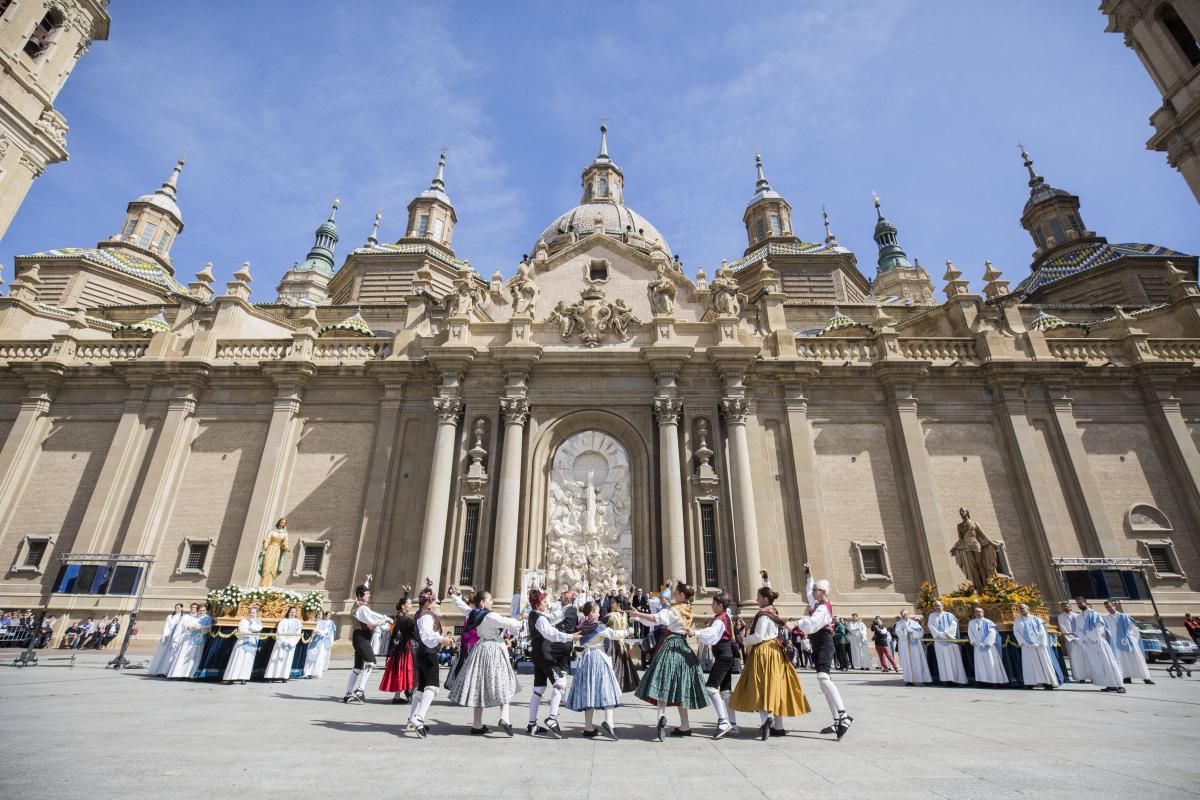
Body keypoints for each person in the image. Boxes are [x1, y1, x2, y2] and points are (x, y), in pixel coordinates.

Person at [629, 581, 711, 741]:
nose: (674, 595)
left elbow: (657, 618)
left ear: (681, 595)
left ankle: (661, 716)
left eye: (676, 593)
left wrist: (638, 614)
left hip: (671, 646)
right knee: (681, 687)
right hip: (684, 648)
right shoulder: (689, 609)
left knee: (662, 681)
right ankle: (685, 725)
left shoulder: (674, 610)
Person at [728, 584, 810, 742]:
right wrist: (766, 581)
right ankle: (778, 727)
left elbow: (758, 636)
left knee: (760, 687)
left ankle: (766, 720)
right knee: (777, 687)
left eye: (758, 597)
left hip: (763, 652)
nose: (756, 599)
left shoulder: (764, 615)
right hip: (776, 652)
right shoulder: (774, 611)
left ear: (765, 598)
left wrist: (742, 640)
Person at [447, 588, 526, 736]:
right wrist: (521, 622)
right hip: (494, 650)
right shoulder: (491, 616)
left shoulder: (474, 613)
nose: (492, 602)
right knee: (505, 683)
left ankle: (477, 724)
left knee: (479, 687)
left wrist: (453, 595)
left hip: (480, 649)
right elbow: (508, 622)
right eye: (490, 600)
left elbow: (462, 606)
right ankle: (505, 718)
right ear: (483, 602)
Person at [790, 565, 850, 740]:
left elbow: (813, 623)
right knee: (824, 683)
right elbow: (809, 590)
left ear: (823, 592)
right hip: (818, 643)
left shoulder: (823, 608)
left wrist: (796, 623)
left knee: (824, 678)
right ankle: (837, 720)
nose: (813, 592)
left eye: (816, 590)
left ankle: (843, 716)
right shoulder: (816, 603)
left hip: (825, 642)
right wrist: (809, 575)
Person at [525, 587, 581, 738]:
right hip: (544, 654)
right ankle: (552, 718)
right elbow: (551, 633)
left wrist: (565, 609)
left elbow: (552, 619)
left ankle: (532, 725)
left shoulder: (534, 615)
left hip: (536, 653)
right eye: (544, 602)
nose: (546, 604)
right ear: (538, 604)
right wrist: (570, 637)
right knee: (561, 681)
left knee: (539, 688)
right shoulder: (540, 618)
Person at [566, 600, 626, 739]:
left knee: (589, 691)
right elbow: (614, 635)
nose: (600, 614)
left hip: (586, 659)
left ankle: (588, 727)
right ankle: (609, 722)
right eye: (598, 611)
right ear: (592, 612)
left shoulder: (582, 625)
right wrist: (628, 630)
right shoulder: (597, 627)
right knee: (608, 688)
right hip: (598, 658)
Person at [407, 581, 456, 738]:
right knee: (432, 687)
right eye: (433, 600)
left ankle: (411, 718)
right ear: (428, 601)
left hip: (421, 652)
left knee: (421, 688)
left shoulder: (419, 613)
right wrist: (442, 639)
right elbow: (427, 635)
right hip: (428, 652)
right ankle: (418, 718)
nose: (435, 603)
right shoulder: (427, 616)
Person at [689, 591, 738, 739]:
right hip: (727, 656)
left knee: (711, 687)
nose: (711, 605)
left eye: (714, 604)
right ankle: (733, 724)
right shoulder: (726, 616)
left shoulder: (720, 619)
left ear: (720, 605)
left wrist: (695, 632)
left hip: (723, 657)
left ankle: (724, 722)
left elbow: (711, 633)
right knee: (725, 691)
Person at [344, 575, 391, 704]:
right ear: (360, 595)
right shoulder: (362, 608)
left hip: (360, 637)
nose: (369, 595)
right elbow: (371, 618)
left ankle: (348, 693)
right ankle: (360, 690)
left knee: (358, 668)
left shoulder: (357, 604)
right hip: (361, 638)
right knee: (371, 662)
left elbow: (362, 591)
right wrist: (385, 618)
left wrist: (367, 582)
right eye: (367, 594)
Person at [1074, 597, 1124, 693]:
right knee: (1098, 665)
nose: (1079, 605)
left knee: (1109, 663)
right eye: (1077, 604)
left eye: (1080, 603)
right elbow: (1078, 631)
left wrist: (1090, 636)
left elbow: (1100, 627)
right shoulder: (1078, 617)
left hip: (1099, 642)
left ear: (1086, 603)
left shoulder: (1095, 614)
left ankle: (1120, 685)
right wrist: (1085, 638)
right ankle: (1109, 684)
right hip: (1088, 644)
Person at [1104, 600, 1154, 685]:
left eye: (1109, 606)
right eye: (1107, 607)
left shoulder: (1124, 616)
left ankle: (1146, 678)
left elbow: (1133, 629)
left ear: (1114, 606)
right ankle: (1126, 677)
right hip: (1116, 643)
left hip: (1128, 641)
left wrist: (1130, 638)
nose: (1108, 608)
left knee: (1136, 659)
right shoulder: (1106, 618)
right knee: (1122, 661)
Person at [379, 588, 416, 700]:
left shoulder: (400, 616)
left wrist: (406, 593)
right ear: (403, 606)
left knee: (401, 670)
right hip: (403, 648)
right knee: (404, 670)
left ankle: (397, 696)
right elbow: (407, 629)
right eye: (409, 604)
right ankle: (401, 694)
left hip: (401, 647)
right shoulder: (403, 618)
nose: (411, 605)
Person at [1012, 604, 1059, 690]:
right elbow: (1016, 632)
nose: (1021, 610)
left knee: (1043, 663)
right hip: (1026, 646)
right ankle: (1030, 683)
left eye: (1022, 608)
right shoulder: (1017, 621)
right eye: (1019, 609)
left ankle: (1048, 682)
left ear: (1028, 608)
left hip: (1039, 646)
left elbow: (1042, 632)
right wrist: (1024, 642)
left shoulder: (1036, 619)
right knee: (1028, 664)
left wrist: (1037, 642)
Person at [927, 601, 968, 685]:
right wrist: (939, 634)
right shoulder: (931, 616)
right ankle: (946, 680)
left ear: (943, 606)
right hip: (939, 642)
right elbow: (930, 625)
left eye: (938, 605)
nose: (936, 607)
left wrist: (946, 634)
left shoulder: (949, 615)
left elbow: (953, 625)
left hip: (950, 641)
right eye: (935, 606)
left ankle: (957, 680)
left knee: (953, 661)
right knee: (942, 662)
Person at [603, 599, 640, 693]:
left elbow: (601, 627)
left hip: (612, 643)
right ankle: (618, 686)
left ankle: (611, 686)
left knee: (612, 666)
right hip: (621, 643)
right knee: (620, 666)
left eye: (613, 603)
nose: (611, 605)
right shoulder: (624, 615)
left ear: (618, 604)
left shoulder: (611, 616)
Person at [168, 604, 212, 680]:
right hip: (189, 639)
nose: (202, 612)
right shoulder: (193, 617)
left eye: (203, 610)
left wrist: (200, 627)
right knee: (183, 656)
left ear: (206, 611)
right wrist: (191, 627)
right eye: (200, 610)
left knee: (194, 658)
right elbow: (187, 626)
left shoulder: (208, 618)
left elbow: (209, 627)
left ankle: (190, 675)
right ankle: (179, 674)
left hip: (199, 640)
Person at [966, 606, 1007, 686]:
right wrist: (976, 643)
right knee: (980, 665)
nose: (977, 613)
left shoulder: (989, 622)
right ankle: (983, 681)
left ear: (983, 613)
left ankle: (994, 682)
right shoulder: (971, 623)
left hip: (989, 647)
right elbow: (970, 634)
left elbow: (992, 633)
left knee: (991, 663)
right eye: (976, 612)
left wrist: (985, 643)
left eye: (979, 611)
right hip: (977, 647)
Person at [223, 606, 263, 684]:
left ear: (256, 614)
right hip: (242, 641)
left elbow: (258, 628)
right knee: (238, 658)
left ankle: (243, 678)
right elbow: (242, 630)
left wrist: (251, 628)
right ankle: (232, 677)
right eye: (251, 612)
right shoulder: (243, 621)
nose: (252, 614)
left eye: (254, 613)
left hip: (252, 643)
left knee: (247, 660)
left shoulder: (258, 622)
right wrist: (251, 630)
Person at [264, 606, 302, 682]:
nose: (293, 613)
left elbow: (298, 633)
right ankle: (271, 676)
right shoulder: (283, 621)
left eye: (294, 612)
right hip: (281, 643)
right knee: (276, 659)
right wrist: (283, 641)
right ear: (288, 612)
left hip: (290, 644)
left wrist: (291, 642)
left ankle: (283, 676)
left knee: (287, 660)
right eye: (291, 612)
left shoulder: (297, 622)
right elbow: (279, 631)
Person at [894, 610, 931, 685]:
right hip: (905, 646)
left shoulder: (914, 623)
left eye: (905, 614)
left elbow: (921, 632)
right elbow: (898, 633)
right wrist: (904, 632)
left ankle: (921, 679)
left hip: (915, 646)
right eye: (903, 614)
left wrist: (911, 631)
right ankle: (910, 680)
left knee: (918, 661)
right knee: (907, 662)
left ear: (909, 614)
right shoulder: (899, 623)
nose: (904, 616)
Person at [148, 603, 185, 676]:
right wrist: (165, 636)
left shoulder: (183, 617)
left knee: (171, 655)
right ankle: (158, 670)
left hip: (177, 638)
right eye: (176, 608)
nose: (177, 609)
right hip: (168, 637)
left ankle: (167, 671)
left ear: (181, 608)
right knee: (163, 654)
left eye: (178, 608)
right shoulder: (170, 616)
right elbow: (166, 626)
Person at [1056, 601, 1088, 683]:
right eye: (1064, 607)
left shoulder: (1077, 616)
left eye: (1067, 606)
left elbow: (1082, 627)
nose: (1065, 608)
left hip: (1080, 639)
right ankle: (1078, 677)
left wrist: (1080, 637)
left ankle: (1086, 675)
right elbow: (1063, 629)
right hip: (1070, 640)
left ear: (1070, 606)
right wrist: (1071, 638)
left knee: (1083, 658)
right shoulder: (1061, 617)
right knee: (1074, 659)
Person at [305, 611, 336, 679]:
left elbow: (327, 630)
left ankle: (315, 673)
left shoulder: (324, 622)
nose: (320, 616)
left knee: (319, 657)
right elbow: (313, 630)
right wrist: (317, 631)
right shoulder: (314, 622)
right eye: (318, 614)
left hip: (321, 642)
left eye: (321, 614)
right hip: (313, 641)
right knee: (310, 656)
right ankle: (308, 672)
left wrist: (322, 632)